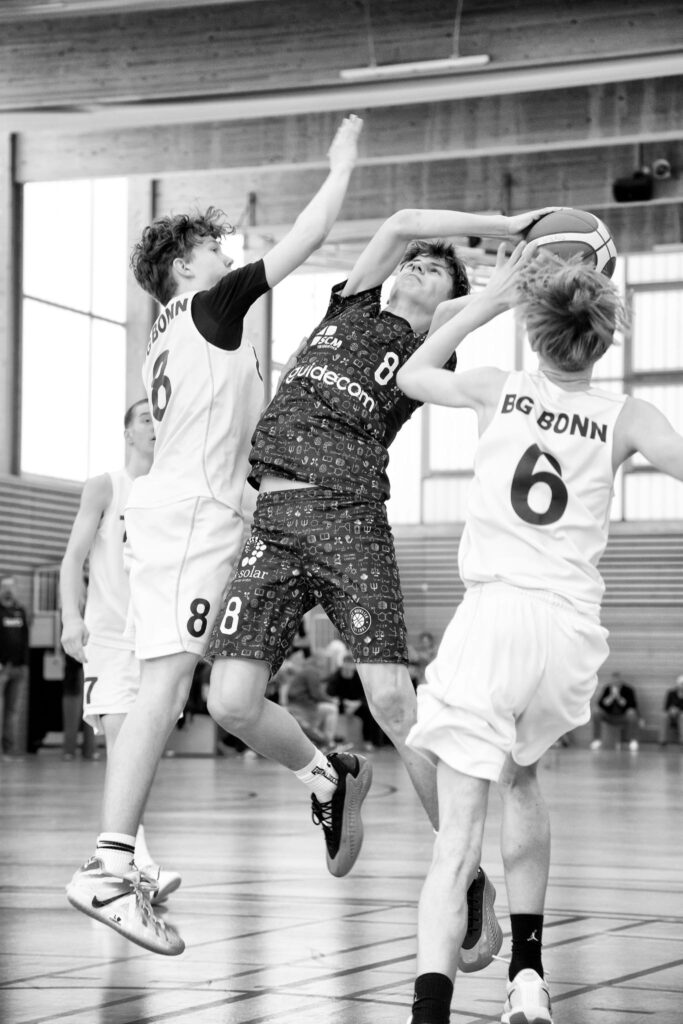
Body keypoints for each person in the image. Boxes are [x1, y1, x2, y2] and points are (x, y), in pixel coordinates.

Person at [206, 201, 552, 970]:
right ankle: (329, 777)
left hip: (348, 516)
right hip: (271, 518)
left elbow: (492, 299)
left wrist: (514, 267)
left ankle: (464, 876)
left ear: (450, 298)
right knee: (228, 702)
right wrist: (503, 221)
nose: (418, 264)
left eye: (436, 269)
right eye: (415, 261)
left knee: (393, 703)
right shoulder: (354, 302)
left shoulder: (431, 347)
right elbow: (396, 223)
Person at [65, 114, 364, 956]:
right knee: (162, 691)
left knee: (209, 692)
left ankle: (325, 776)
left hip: (197, 515)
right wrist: (340, 165)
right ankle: (109, 868)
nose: (224, 253)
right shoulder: (208, 305)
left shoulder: (173, 335)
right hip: (192, 518)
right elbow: (308, 236)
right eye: (210, 246)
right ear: (181, 267)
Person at [394, 240, 683, 1024]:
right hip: (567, 631)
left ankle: (429, 1014)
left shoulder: (498, 386)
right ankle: (527, 977)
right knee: (520, 777)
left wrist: (491, 298)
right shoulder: (630, 416)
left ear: (534, 329)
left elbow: (412, 375)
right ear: (604, 338)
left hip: (494, 617)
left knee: (455, 839)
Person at [60, 400, 180, 895]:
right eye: (145, 419)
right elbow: (73, 558)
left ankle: (123, 859)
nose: (154, 425)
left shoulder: (171, 490)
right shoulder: (106, 486)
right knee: (121, 743)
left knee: (142, 749)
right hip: (108, 636)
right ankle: (133, 861)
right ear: (127, 432)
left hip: (156, 636)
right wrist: (71, 617)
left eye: (159, 418)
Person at [277, 650, 340, 752]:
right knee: (332, 709)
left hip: (301, 705)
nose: (325, 663)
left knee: (327, 710)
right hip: (302, 707)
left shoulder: (307, 670)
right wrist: (331, 700)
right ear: (319, 660)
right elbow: (316, 694)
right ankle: (329, 742)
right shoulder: (311, 671)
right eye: (324, 660)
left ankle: (325, 743)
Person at [0, 575, 30, 760]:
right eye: (4, 586)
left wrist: (25, 664)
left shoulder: (20, 611)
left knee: (12, 711)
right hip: (2, 668)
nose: (8, 590)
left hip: (19, 668)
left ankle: (9, 749)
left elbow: (25, 638)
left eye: (11, 587)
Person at [590, 671, 641, 751]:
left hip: (623, 716)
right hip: (609, 716)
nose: (615, 683)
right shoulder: (607, 689)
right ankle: (597, 740)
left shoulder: (628, 690)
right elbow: (600, 704)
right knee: (596, 712)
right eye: (614, 681)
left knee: (632, 714)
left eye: (617, 681)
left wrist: (618, 697)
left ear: (620, 681)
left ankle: (633, 741)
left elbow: (632, 706)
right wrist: (611, 697)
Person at [659, 673, 683, 746]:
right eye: (681, 684)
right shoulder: (671, 693)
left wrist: (678, 710)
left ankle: (682, 740)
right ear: (677, 684)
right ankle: (662, 740)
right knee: (664, 716)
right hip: (671, 715)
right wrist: (671, 709)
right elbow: (666, 707)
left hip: (681, 715)